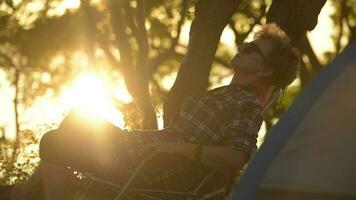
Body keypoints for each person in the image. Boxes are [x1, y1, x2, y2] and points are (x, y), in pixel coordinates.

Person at [2, 23, 300, 200]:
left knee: (54, 142)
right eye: (247, 42)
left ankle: (23, 194)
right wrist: (149, 137)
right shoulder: (227, 94)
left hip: (160, 171)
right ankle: (27, 192)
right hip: (148, 153)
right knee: (78, 118)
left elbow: (237, 156)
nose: (243, 46)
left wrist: (176, 148)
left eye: (252, 49)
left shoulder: (245, 104)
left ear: (264, 70)